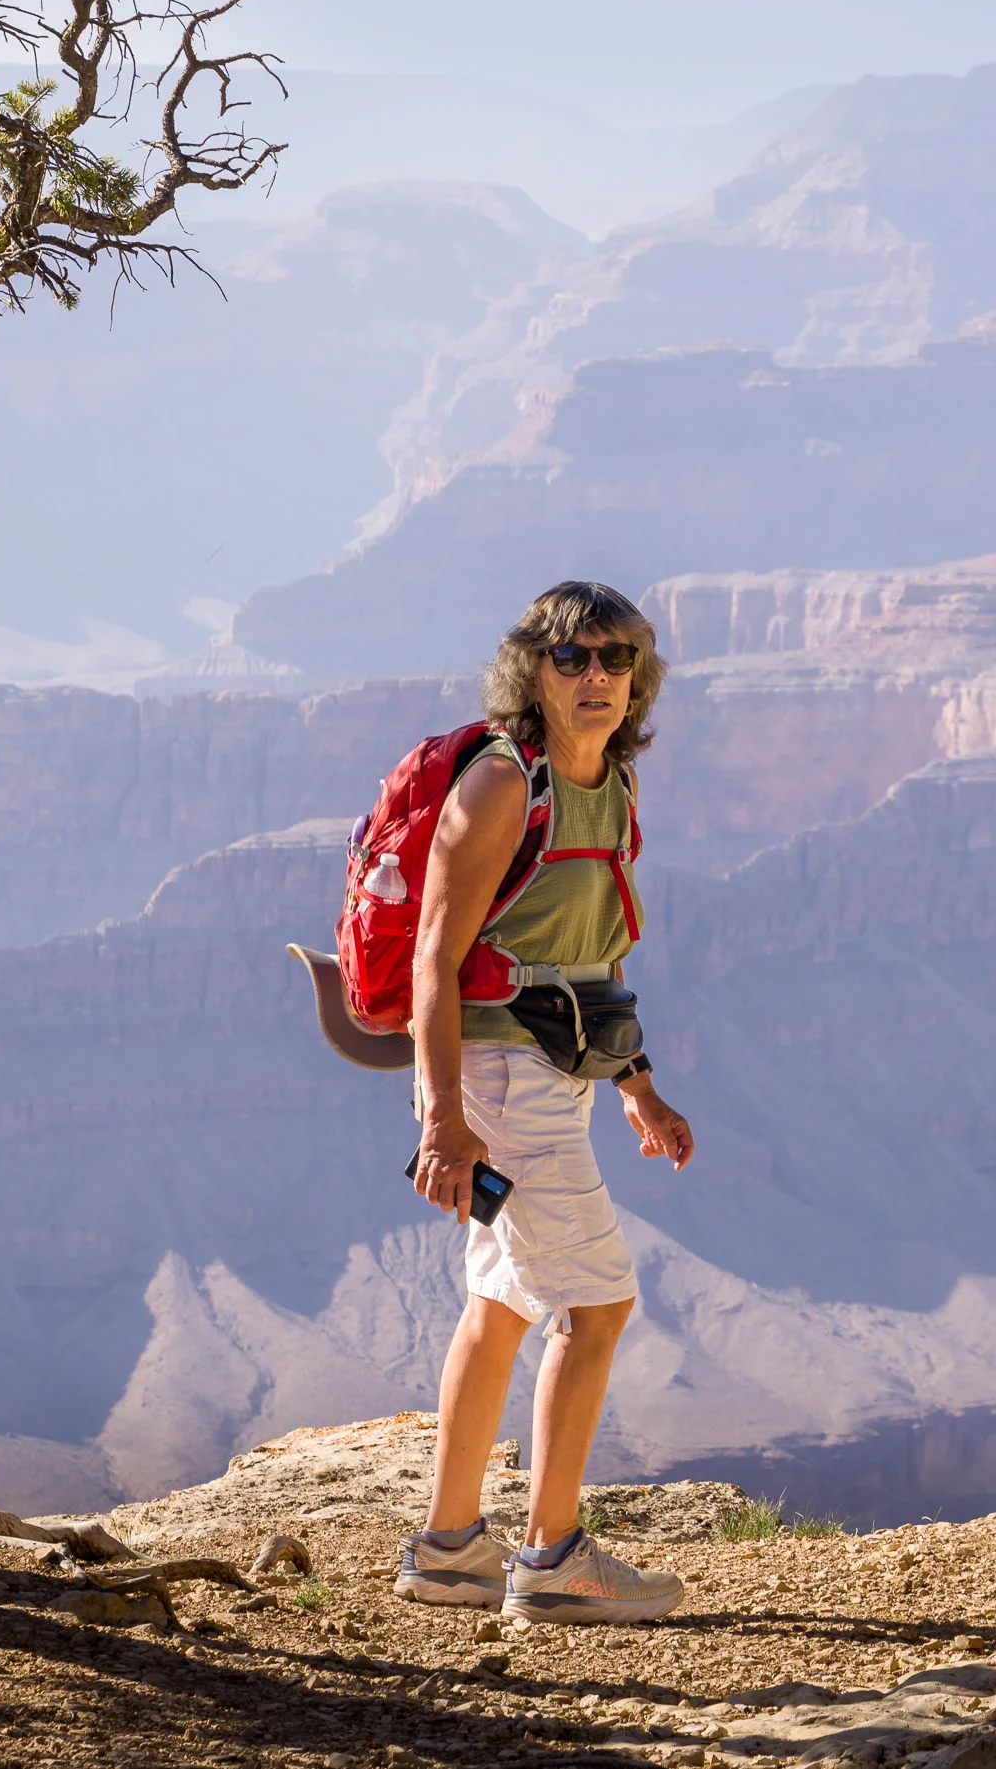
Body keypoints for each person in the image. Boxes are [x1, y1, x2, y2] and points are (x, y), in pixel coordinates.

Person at [393, 581, 697, 1625]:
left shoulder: (609, 783)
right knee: (597, 1304)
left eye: (616, 658)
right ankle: (552, 1557)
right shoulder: (498, 785)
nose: (597, 676)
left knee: (505, 1301)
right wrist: (442, 1118)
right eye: (572, 659)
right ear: (534, 669)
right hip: (499, 1075)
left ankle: (447, 1552)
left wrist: (638, 1087)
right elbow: (435, 956)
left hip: (561, 1070)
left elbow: (592, 950)